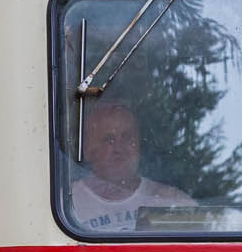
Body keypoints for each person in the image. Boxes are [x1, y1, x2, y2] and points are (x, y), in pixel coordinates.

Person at [68, 100, 196, 234]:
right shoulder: (67, 203)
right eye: (109, 139)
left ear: (139, 144)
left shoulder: (171, 201)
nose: (119, 148)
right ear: (88, 150)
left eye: (127, 137)